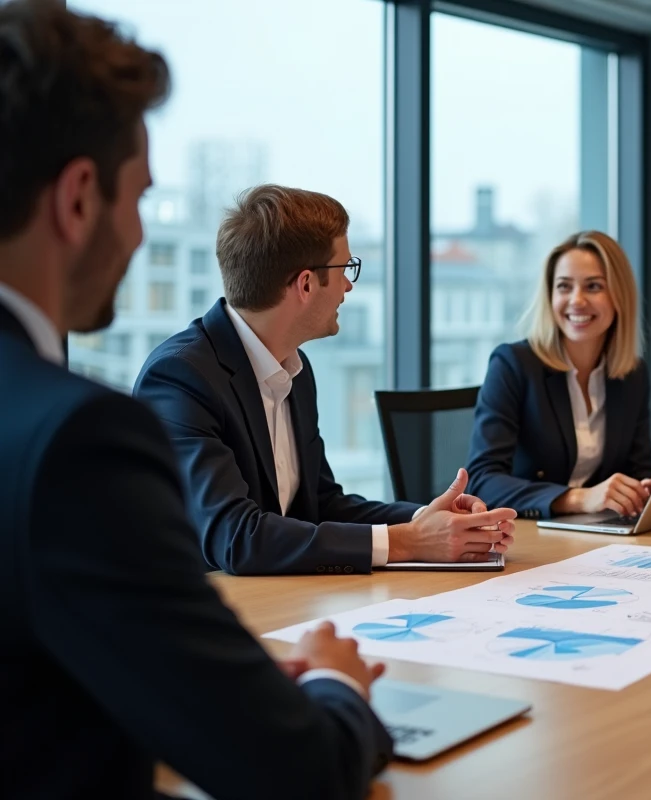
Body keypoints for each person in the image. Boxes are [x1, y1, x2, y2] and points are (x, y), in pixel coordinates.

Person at [0, 4, 392, 797]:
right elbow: (297, 770)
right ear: (79, 199)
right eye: (139, 198)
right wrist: (334, 684)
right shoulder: (77, 439)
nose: (142, 236)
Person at [133, 184, 516, 575]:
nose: (349, 286)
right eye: (345, 269)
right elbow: (237, 537)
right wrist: (409, 541)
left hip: (283, 600)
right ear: (305, 284)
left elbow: (322, 503)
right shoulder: (180, 378)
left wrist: (428, 518)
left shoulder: (295, 370)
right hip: (199, 614)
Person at [466, 231, 651, 519]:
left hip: (596, 536)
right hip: (529, 537)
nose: (576, 300)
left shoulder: (631, 375)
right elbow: (482, 480)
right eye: (564, 287)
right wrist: (578, 498)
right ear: (550, 295)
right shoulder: (513, 365)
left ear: (620, 296)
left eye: (593, 286)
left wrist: (648, 488)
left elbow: (638, 468)